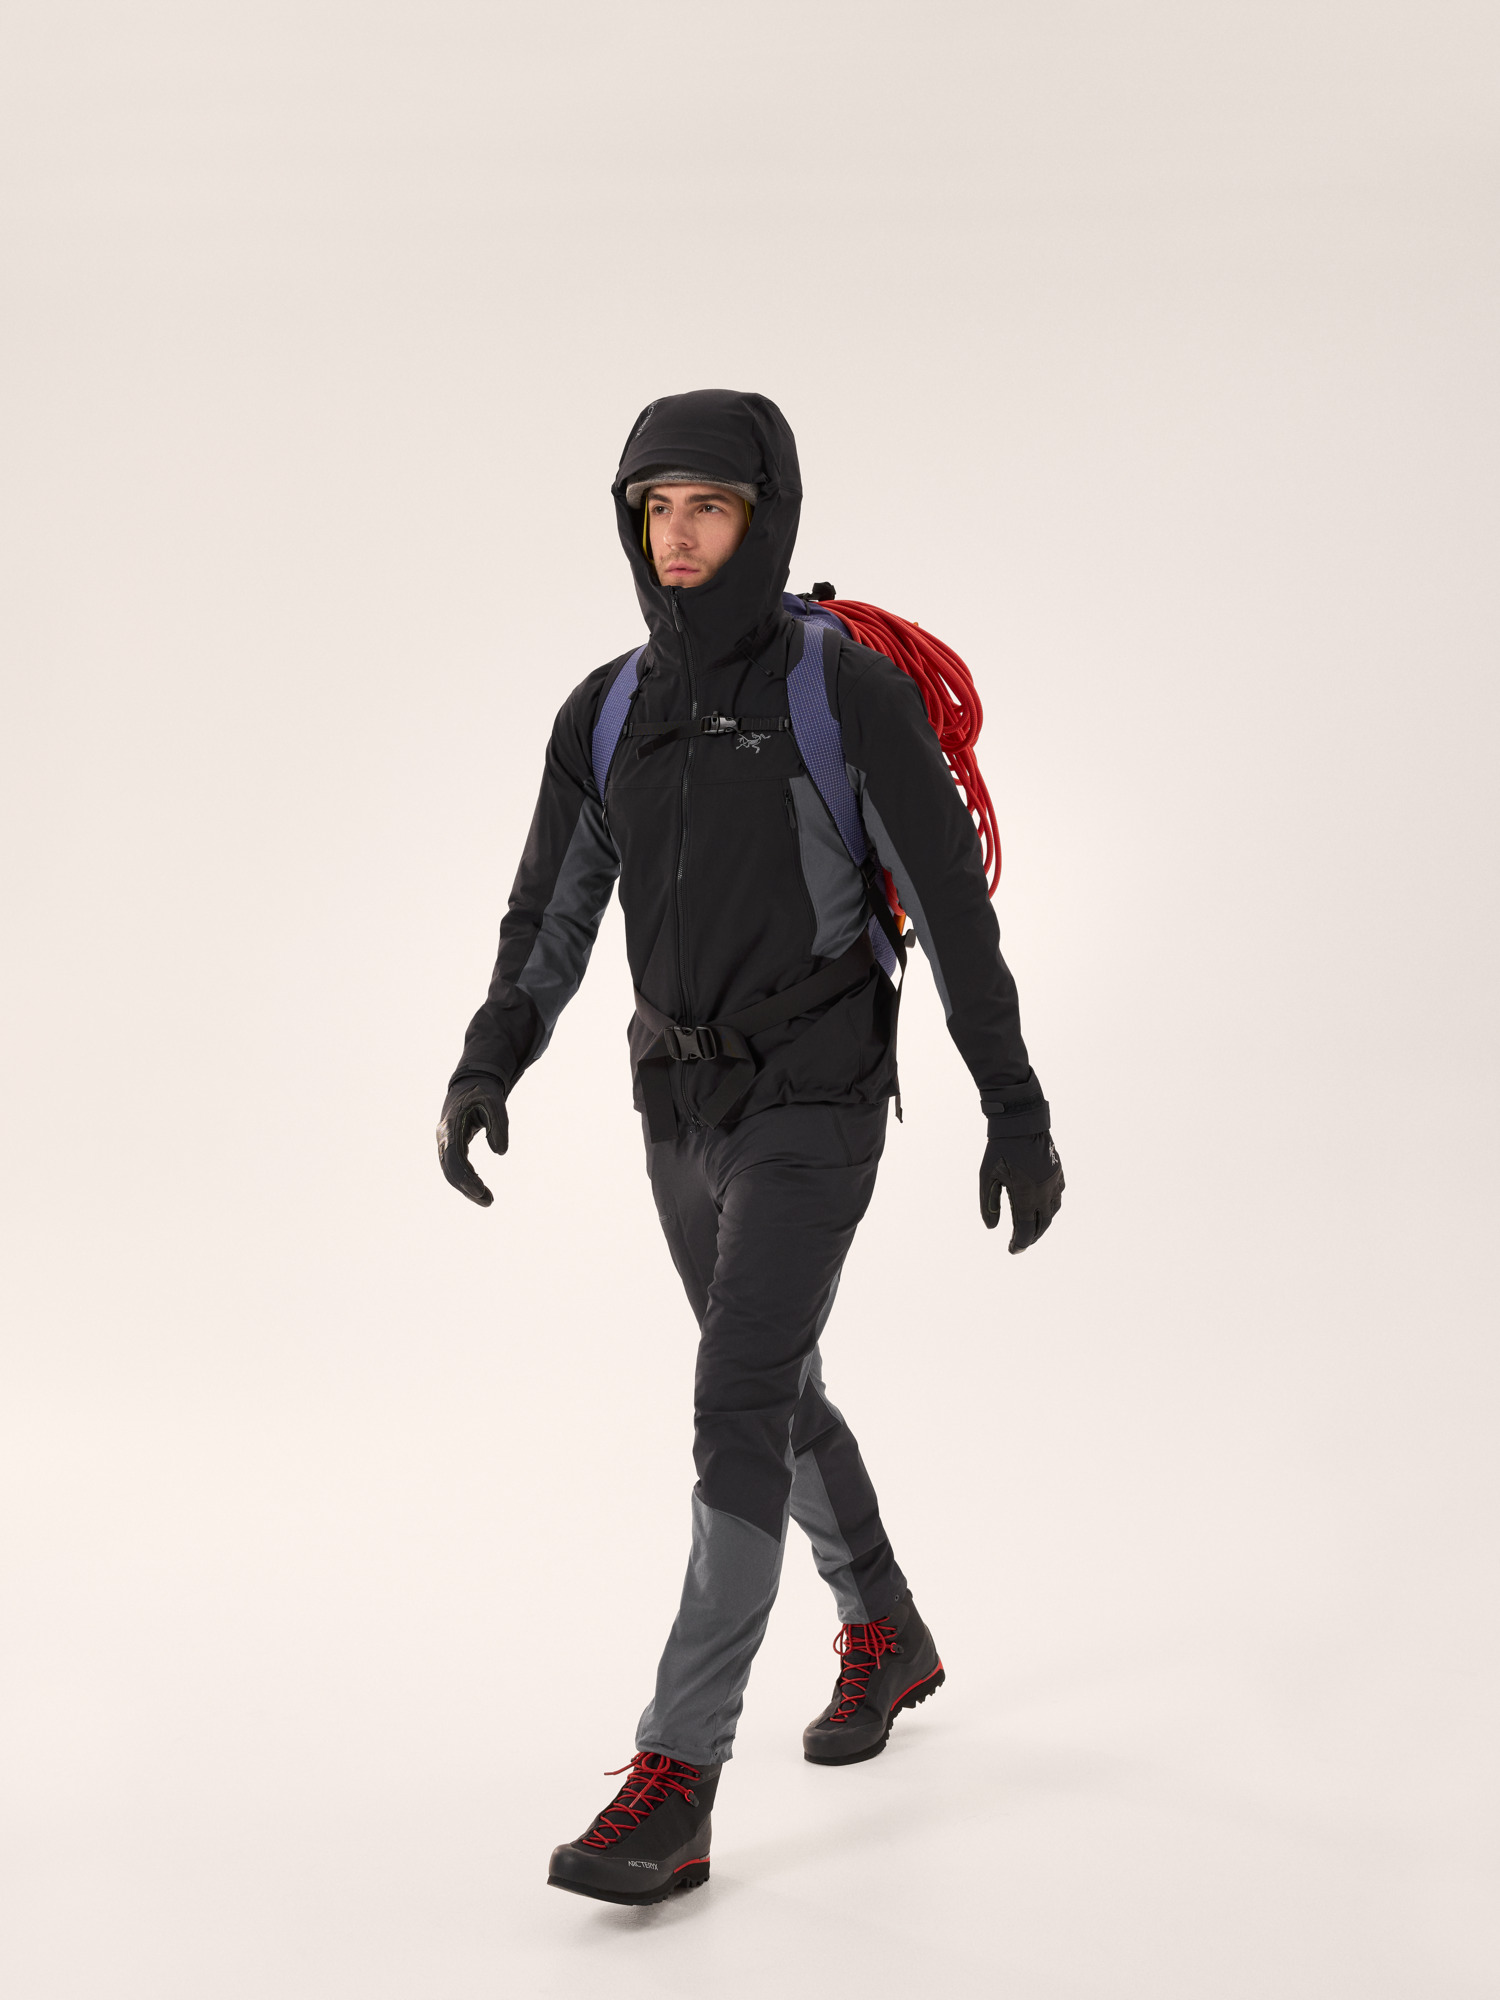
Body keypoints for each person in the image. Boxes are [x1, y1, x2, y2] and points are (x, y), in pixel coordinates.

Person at [436, 389, 1063, 1906]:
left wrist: (1015, 1105)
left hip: (818, 1097)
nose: (678, 535)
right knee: (775, 1391)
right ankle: (885, 1626)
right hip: (676, 1105)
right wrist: (488, 1059)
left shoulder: (840, 691)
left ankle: (677, 1779)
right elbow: (551, 915)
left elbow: (953, 911)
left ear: (764, 517)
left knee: (734, 1397)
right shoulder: (608, 710)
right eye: (654, 508)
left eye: (707, 506)